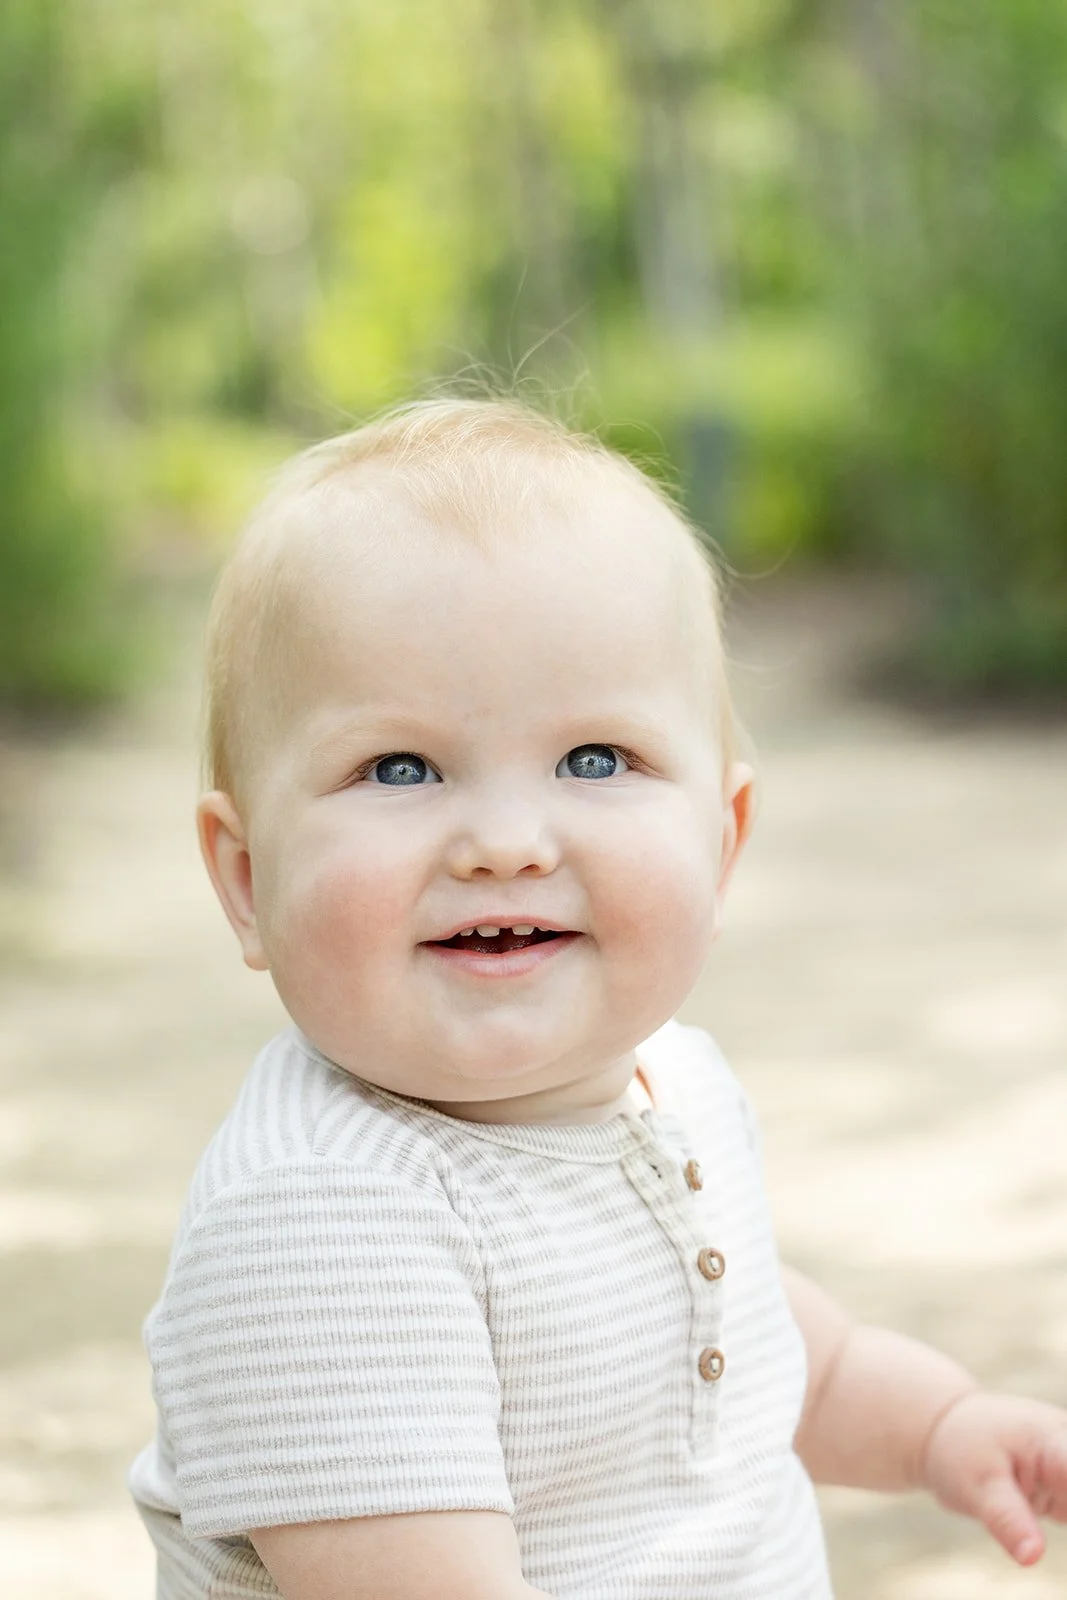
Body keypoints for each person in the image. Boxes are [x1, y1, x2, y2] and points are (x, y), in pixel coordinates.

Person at [129, 397, 1067, 1599]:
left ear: (720, 842)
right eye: (399, 767)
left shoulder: (672, 1078)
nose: (506, 842)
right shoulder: (327, 1220)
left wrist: (940, 1425)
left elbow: (769, 1360)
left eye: (593, 760)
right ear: (249, 879)